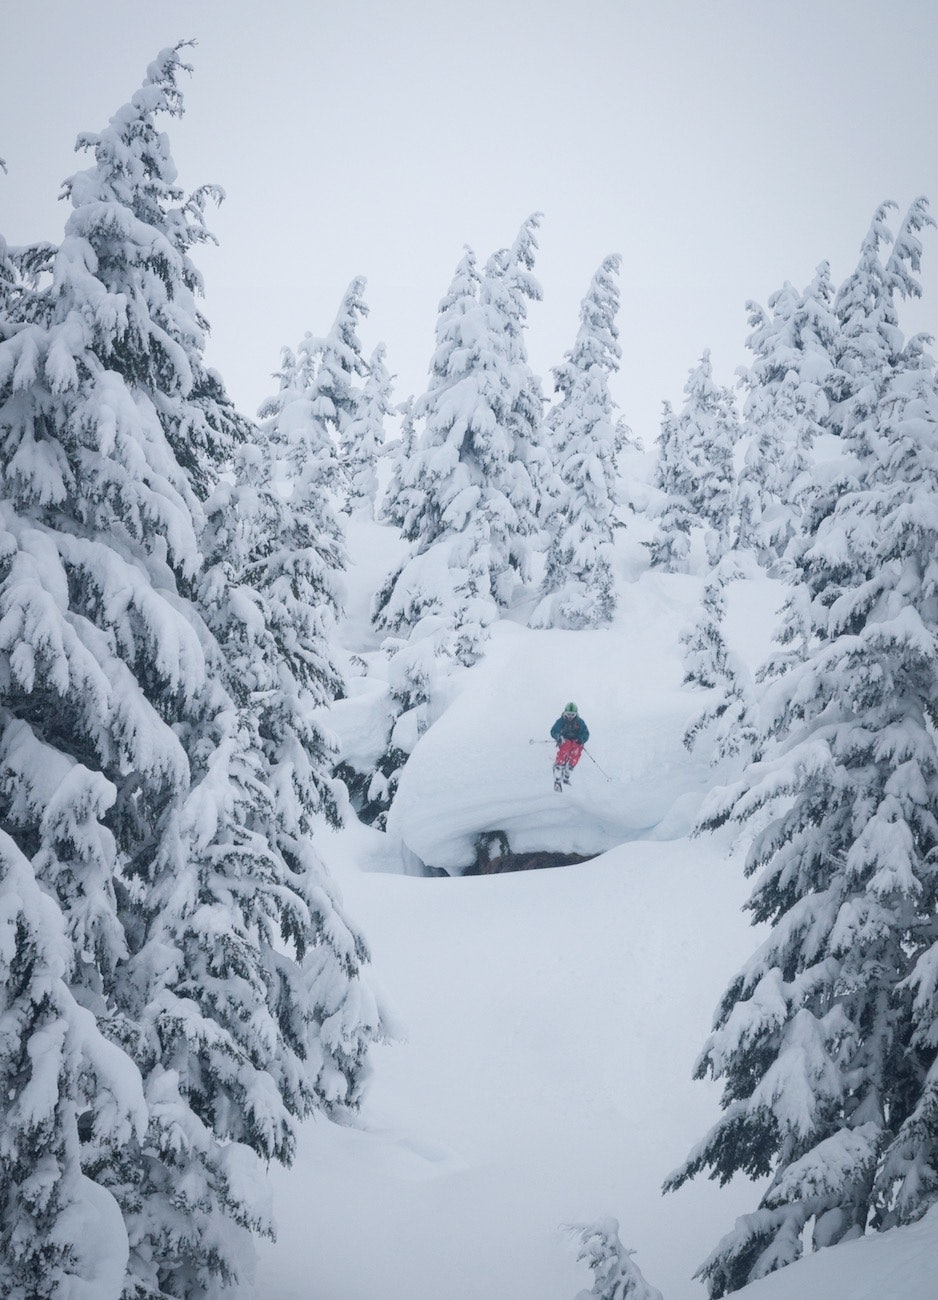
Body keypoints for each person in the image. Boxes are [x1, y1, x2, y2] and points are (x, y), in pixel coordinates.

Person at [550, 702, 589, 790]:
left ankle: (568, 771)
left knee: (576, 752)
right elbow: (553, 731)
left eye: (572, 714)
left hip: (576, 741)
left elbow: (586, 733)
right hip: (565, 740)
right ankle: (559, 767)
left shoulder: (580, 722)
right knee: (565, 749)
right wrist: (558, 737)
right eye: (568, 714)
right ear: (565, 713)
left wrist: (582, 739)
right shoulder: (561, 721)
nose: (570, 716)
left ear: (576, 714)